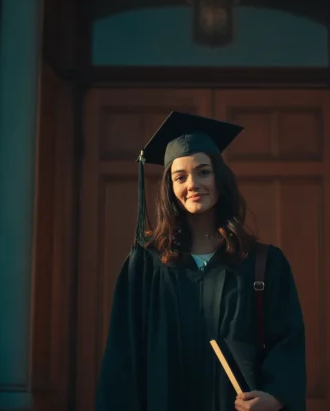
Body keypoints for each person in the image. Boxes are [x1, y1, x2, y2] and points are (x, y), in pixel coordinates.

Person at [95, 112, 306, 411]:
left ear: (220, 178)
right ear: (169, 188)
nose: (193, 184)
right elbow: (122, 356)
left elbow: (287, 341)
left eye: (203, 172)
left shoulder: (263, 263)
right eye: (180, 177)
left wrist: (276, 396)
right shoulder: (145, 264)